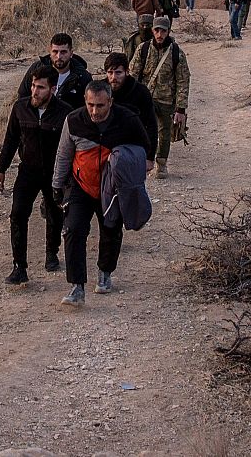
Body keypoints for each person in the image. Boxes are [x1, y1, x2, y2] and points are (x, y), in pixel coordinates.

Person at [51, 81, 151, 307]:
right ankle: (77, 287)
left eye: (100, 106)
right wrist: (57, 186)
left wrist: (129, 175)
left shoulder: (127, 120)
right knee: (73, 230)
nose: (95, 111)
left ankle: (105, 272)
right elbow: (64, 154)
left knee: (110, 229)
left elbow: (143, 150)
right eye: (90, 105)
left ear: (111, 102)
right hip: (81, 185)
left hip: (113, 188)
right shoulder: (74, 121)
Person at [0, 64, 73, 284]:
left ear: (53, 89)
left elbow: (70, 146)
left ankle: (52, 253)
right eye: (33, 86)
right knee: (18, 215)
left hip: (55, 173)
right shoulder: (20, 108)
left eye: (40, 87)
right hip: (27, 170)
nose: (35, 91)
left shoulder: (65, 112)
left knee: (54, 213)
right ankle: (19, 267)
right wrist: (1, 170)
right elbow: (10, 140)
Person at [129, 16, 190, 178]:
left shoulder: (177, 53)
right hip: (144, 99)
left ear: (168, 31)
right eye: (157, 30)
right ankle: (143, 161)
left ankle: (161, 165)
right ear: (152, 31)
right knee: (142, 130)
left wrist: (181, 108)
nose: (159, 34)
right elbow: (132, 75)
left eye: (163, 30)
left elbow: (183, 80)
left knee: (164, 133)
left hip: (166, 100)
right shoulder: (143, 49)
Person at [16, 33, 92, 111]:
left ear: (71, 53)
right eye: (55, 52)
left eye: (63, 52)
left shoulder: (82, 76)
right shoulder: (37, 68)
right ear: (50, 52)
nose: (59, 56)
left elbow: (87, 108)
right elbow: (23, 96)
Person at [102, 52, 157, 159]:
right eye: (110, 72)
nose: (114, 77)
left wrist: (150, 157)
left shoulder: (141, 92)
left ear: (127, 72)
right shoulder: (100, 90)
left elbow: (151, 126)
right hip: (105, 149)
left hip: (132, 147)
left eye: (118, 73)